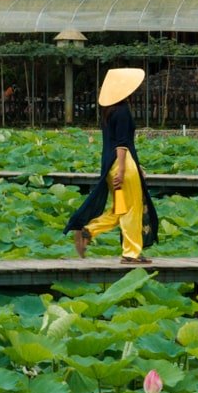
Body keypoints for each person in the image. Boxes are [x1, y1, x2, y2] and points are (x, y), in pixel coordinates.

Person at [65, 67, 158, 263]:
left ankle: (88, 231)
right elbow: (122, 144)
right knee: (132, 208)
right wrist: (124, 169)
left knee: (121, 208)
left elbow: (120, 143)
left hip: (112, 164)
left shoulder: (108, 112)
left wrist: (135, 166)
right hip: (121, 164)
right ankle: (131, 253)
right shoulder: (123, 111)